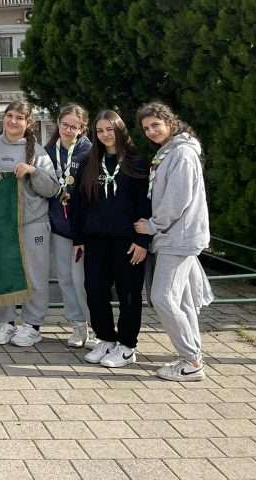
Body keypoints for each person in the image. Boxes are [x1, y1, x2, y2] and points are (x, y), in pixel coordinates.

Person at [134, 102, 213, 381]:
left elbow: (177, 199)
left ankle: (191, 361)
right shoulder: (169, 151)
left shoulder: (182, 153)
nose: (151, 131)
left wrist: (152, 226)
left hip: (178, 237)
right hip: (177, 235)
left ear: (170, 122)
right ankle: (193, 355)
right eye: (146, 128)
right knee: (184, 300)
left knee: (163, 297)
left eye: (156, 125)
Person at [72, 110, 150, 368]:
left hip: (128, 241)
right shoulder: (89, 161)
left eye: (110, 129)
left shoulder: (137, 161)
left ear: (120, 129)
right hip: (95, 239)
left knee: (129, 294)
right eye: (100, 130)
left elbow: (146, 203)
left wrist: (142, 241)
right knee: (94, 290)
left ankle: (127, 346)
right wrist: (78, 238)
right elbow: (79, 202)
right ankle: (105, 338)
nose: (105, 135)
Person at [0, 100, 61, 346]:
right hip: (0, 224)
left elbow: (52, 189)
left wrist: (33, 171)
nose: (13, 121)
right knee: (3, 274)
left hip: (33, 223)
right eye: (9, 115)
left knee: (35, 275)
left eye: (19, 117)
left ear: (28, 123)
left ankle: (32, 325)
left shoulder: (39, 152)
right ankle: (5, 323)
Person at [43, 104, 94, 348]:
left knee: (82, 280)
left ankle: (95, 325)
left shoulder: (89, 152)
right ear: (58, 123)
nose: (68, 130)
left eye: (74, 126)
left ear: (82, 128)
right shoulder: (48, 151)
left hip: (83, 229)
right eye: (64, 124)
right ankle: (77, 325)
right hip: (59, 226)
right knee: (64, 278)